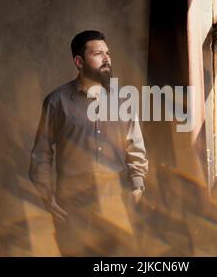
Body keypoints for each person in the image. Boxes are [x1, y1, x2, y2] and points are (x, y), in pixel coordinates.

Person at [29, 30, 148, 256]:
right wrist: (47, 195)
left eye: (108, 53)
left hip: (117, 204)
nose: (106, 58)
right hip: (72, 208)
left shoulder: (124, 100)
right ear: (79, 61)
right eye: (98, 53)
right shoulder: (57, 101)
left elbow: (135, 146)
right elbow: (41, 153)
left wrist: (138, 185)